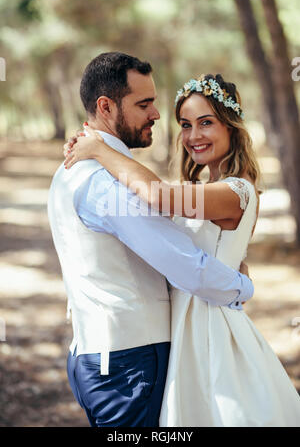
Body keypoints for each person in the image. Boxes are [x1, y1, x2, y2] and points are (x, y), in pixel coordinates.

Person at [64, 72, 300, 427]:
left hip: (212, 331)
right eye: (186, 125)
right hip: (183, 328)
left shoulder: (235, 191)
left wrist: (98, 149)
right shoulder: (204, 189)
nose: (193, 136)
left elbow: (157, 196)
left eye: (206, 123)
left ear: (231, 127)